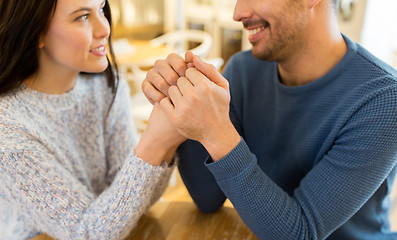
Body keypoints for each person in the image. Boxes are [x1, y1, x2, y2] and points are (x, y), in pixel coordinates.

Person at [142, 0, 397, 239]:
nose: (237, 12)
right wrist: (181, 100)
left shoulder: (383, 99)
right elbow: (207, 198)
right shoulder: (244, 70)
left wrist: (216, 132)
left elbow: (301, 233)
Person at [0, 0, 185, 239]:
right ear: (36, 32)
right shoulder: (8, 130)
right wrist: (155, 142)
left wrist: (166, 140)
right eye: (82, 17)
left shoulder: (105, 87)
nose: (105, 29)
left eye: (101, 9)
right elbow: (86, 233)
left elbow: (140, 200)